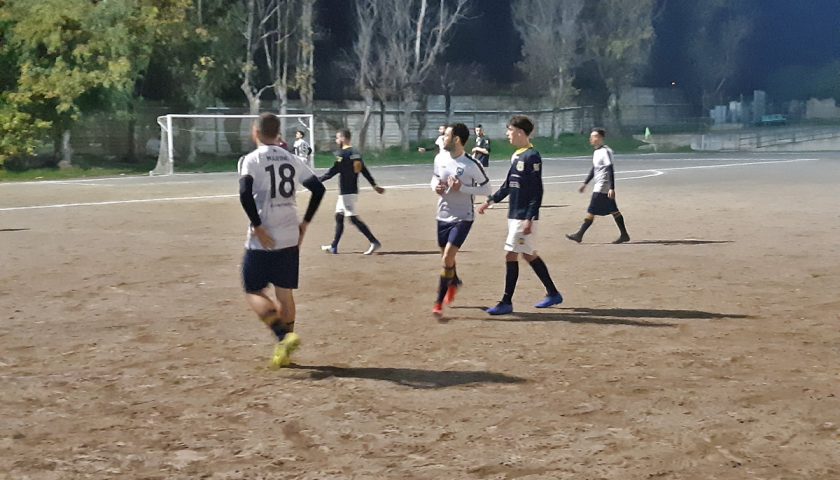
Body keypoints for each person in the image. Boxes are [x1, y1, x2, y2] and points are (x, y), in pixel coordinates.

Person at [238, 113, 326, 368]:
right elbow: (319, 189)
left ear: (256, 132)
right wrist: (305, 224)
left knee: (253, 289)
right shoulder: (292, 158)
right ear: (278, 133)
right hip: (289, 235)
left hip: (264, 239)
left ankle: (283, 338)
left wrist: (257, 227)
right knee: (284, 294)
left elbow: (244, 193)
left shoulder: (252, 160)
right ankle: (284, 350)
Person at [477, 115, 563, 315]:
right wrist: (490, 201)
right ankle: (553, 293)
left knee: (511, 254)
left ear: (520, 132)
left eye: (509, 130)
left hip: (523, 216)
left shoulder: (532, 156)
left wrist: (530, 218)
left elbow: (537, 190)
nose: (507, 134)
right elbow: (509, 184)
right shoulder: (517, 155)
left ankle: (506, 301)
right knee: (528, 254)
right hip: (514, 213)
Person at [430, 122, 492, 317]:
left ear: (456, 139)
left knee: (448, 257)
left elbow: (487, 189)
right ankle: (454, 281)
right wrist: (436, 188)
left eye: (446, 136)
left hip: (463, 217)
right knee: (447, 259)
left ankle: (438, 303)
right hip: (443, 215)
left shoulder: (472, 165)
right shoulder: (440, 157)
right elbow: (434, 178)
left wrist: (462, 188)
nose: (443, 138)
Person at [319, 128, 385, 255]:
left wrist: (318, 180)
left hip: (347, 192)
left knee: (352, 218)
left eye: (337, 138)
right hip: (351, 189)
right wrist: (374, 185)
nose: (336, 140)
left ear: (343, 138)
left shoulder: (342, 154)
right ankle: (334, 246)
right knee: (339, 216)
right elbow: (363, 170)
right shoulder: (356, 153)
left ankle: (374, 241)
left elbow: (334, 170)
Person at [565, 128, 630, 244]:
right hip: (599, 185)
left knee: (592, 210)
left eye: (594, 136)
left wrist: (612, 188)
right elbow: (594, 169)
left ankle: (579, 235)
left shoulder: (606, 151)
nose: (591, 139)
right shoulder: (596, 152)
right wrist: (585, 183)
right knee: (614, 210)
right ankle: (624, 235)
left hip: (603, 186)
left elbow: (610, 169)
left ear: (600, 138)